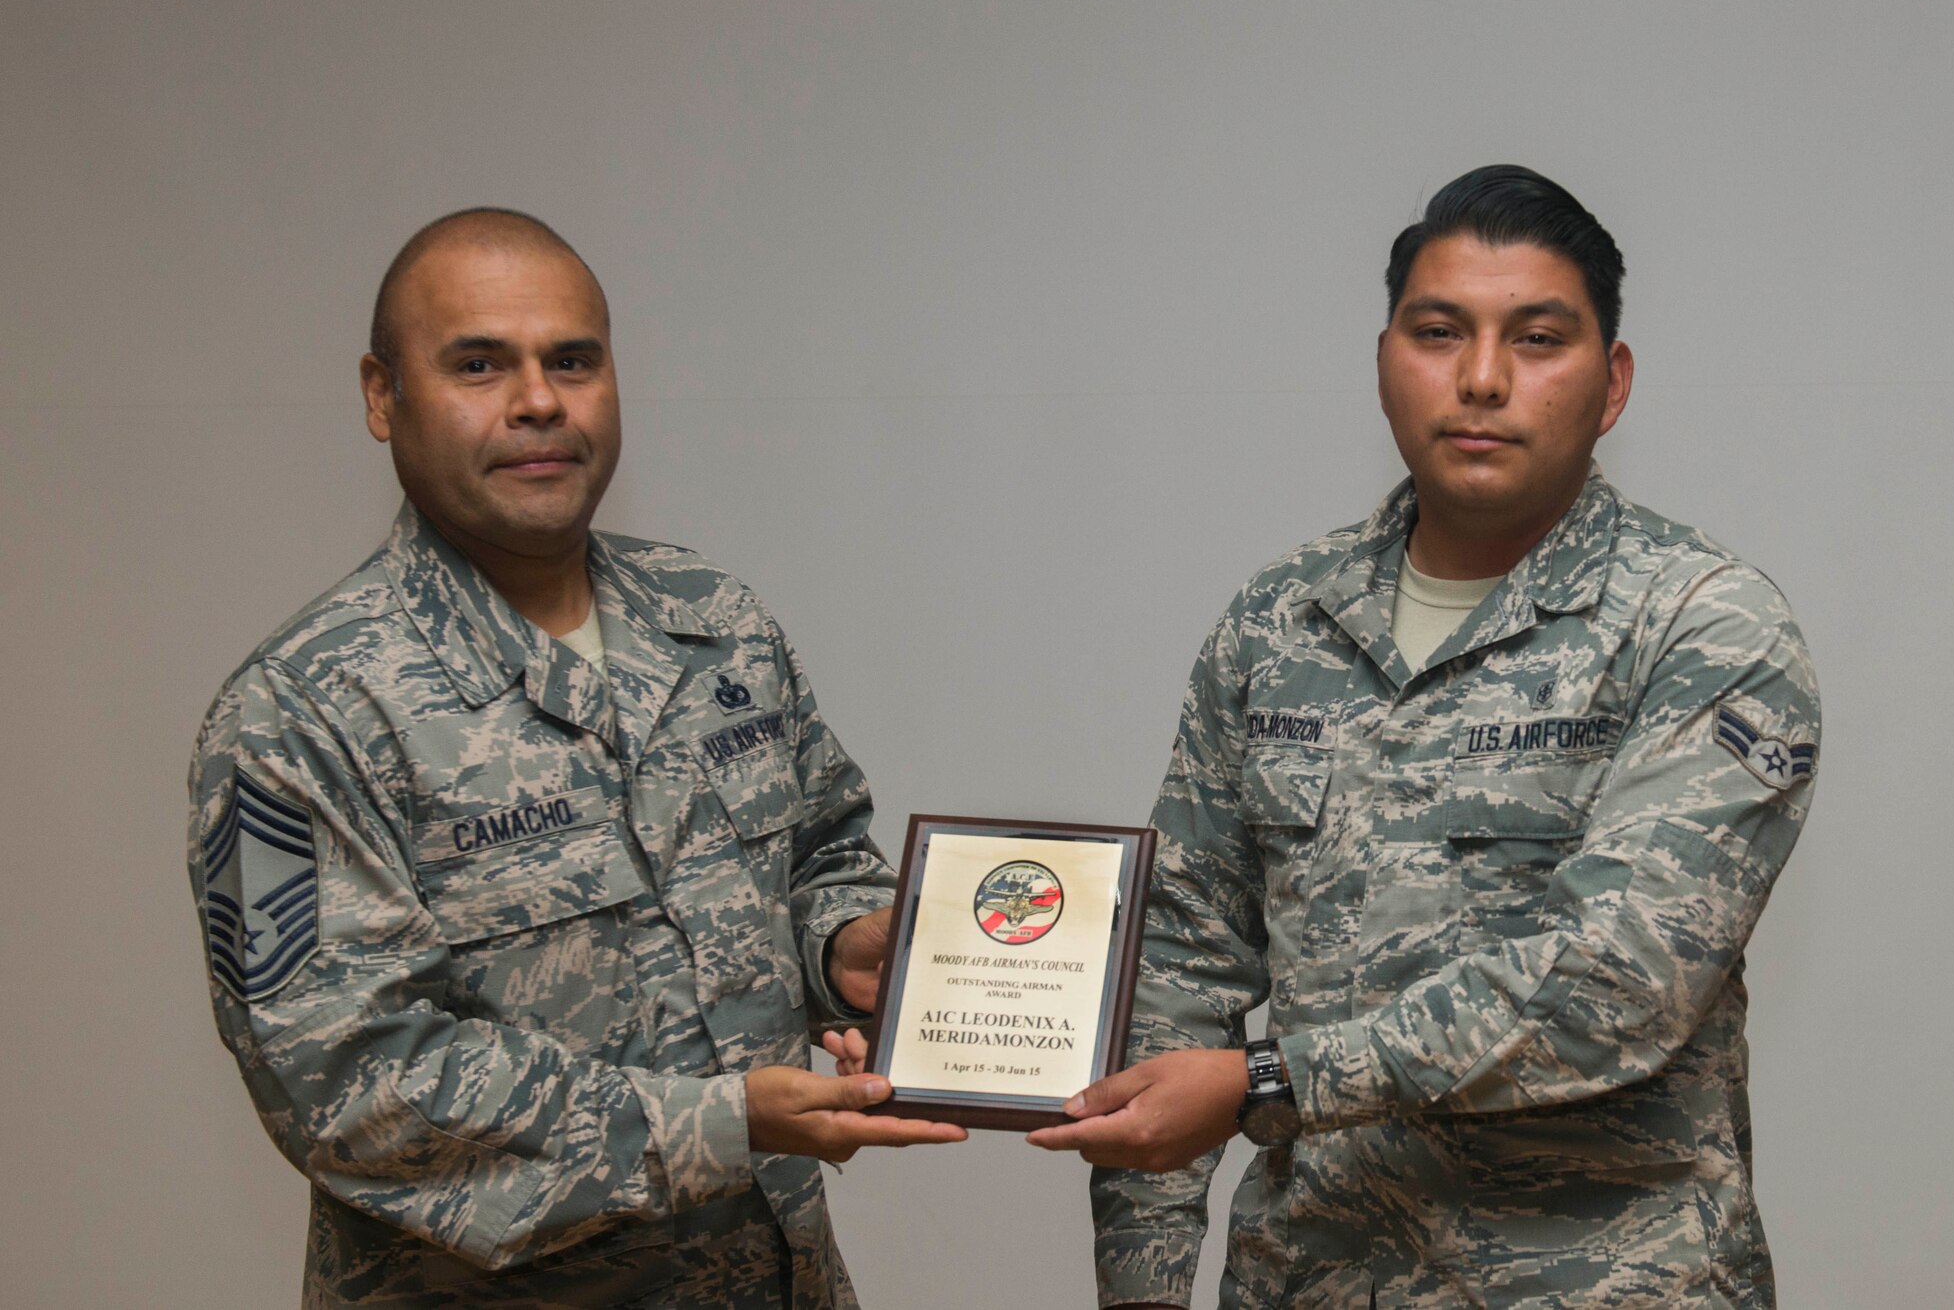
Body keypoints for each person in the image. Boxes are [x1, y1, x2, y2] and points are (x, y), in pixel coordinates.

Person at [1024, 166, 1820, 1307]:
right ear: (1385, 358)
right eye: (1438, 331)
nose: (1482, 378)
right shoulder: (1277, 620)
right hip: (1310, 1276)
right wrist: (1141, 1289)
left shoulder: (1700, 622)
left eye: (1537, 337)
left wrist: (1264, 1077)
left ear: (1610, 384)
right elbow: (1176, 968)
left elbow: (1618, 978)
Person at [186, 208, 963, 1308]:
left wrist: (841, 942)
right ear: (379, 393)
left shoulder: (714, 621)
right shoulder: (303, 710)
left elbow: (819, 849)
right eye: (476, 363)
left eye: (571, 359)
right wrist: (720, 1120)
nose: (538, 399)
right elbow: (354, 1087)